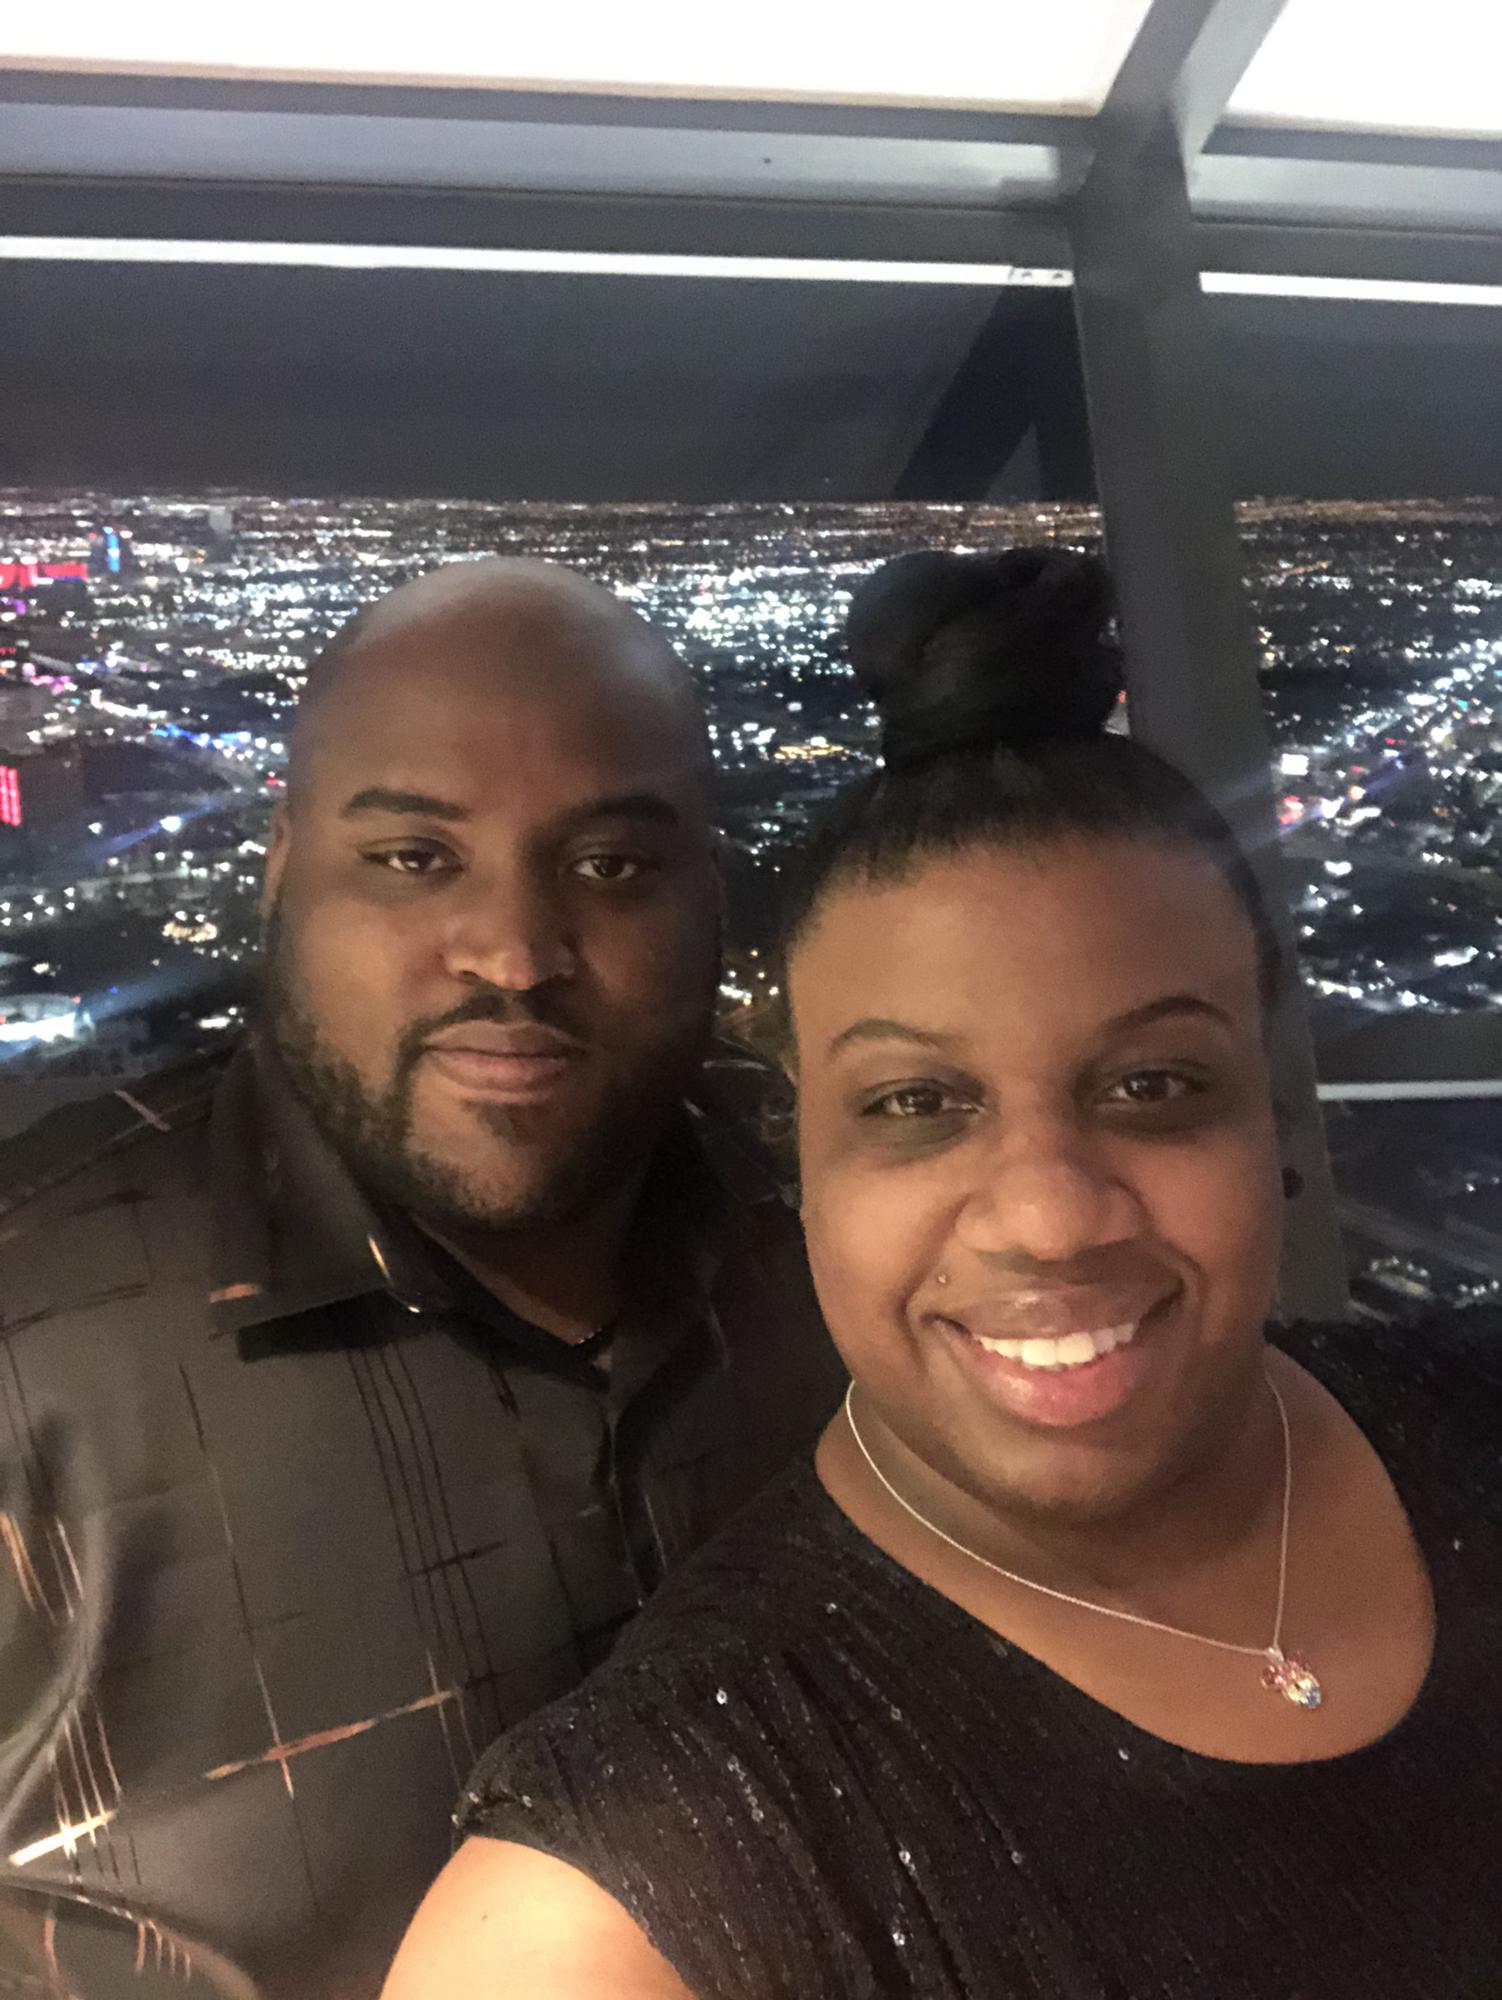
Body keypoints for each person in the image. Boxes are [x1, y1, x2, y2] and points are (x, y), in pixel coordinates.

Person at [387, 549, 1502, 1999]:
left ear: (1266, 1116)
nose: (1049, 1217)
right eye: (916, 1103)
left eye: (1154, 1084)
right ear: (802, 1161)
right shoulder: (610, 1915)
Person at [0, 558, 841, 1998]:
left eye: (611, 866)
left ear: (710, 888)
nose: (514, 955)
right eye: (414, 859)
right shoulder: (31, 1331)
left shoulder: (849, 1238)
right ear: (281, 865)